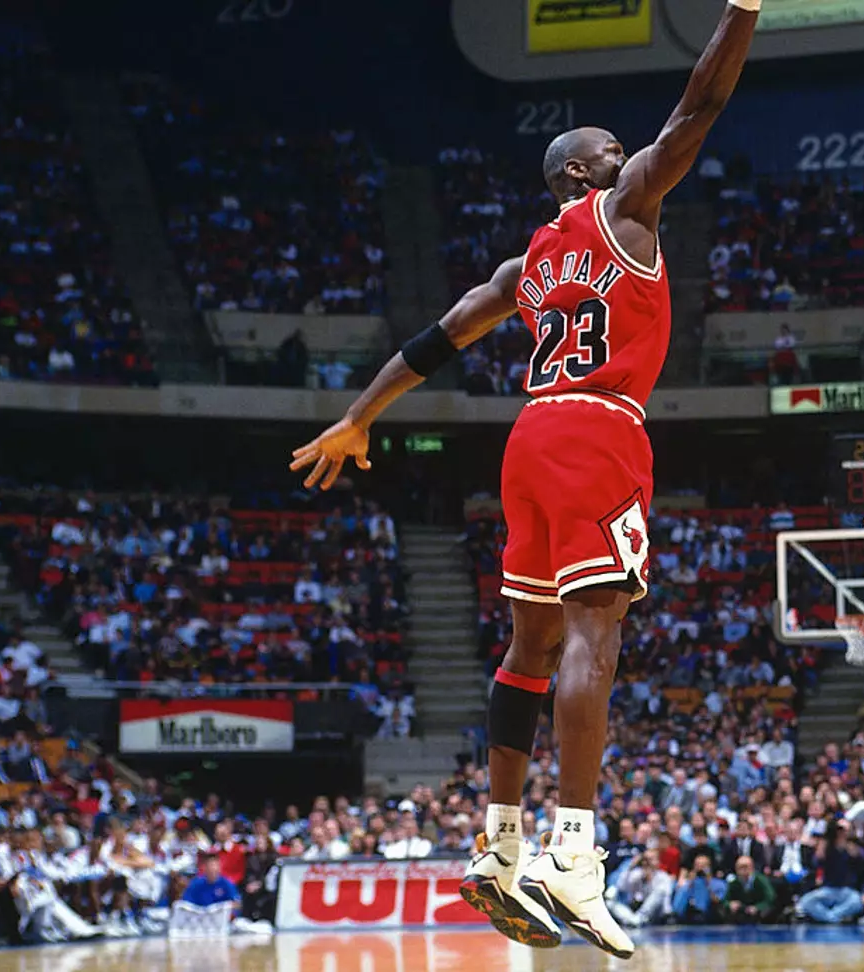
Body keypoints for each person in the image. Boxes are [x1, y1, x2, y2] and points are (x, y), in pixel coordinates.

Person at [288, 0, 760, 958]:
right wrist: (744, 8)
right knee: (598, 632)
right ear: (583, 172)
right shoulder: (623, 207)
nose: (634, 158)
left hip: (529, 443)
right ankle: (574, 855)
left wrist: (357, 416)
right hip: (599, 429)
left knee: (532, 637)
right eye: (615, 151)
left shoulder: (523, 268)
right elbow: (699, 107)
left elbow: (433, 341)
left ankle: (500, 843)